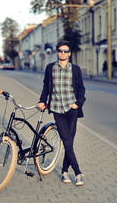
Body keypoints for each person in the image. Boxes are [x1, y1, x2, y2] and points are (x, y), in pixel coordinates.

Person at [37, 40, 86, 186]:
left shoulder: (75, 69)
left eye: (65, 51)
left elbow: (82, 89)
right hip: (57, 109)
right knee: (67, 142)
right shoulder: (50, 68)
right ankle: (78, 173)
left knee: (68, 143)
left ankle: (64, 171)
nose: (63, 53)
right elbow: (46, 86)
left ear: (69, 53)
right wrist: (42, 100)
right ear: (57, 52)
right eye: (60, 50)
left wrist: (78, 103)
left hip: (72, 110)